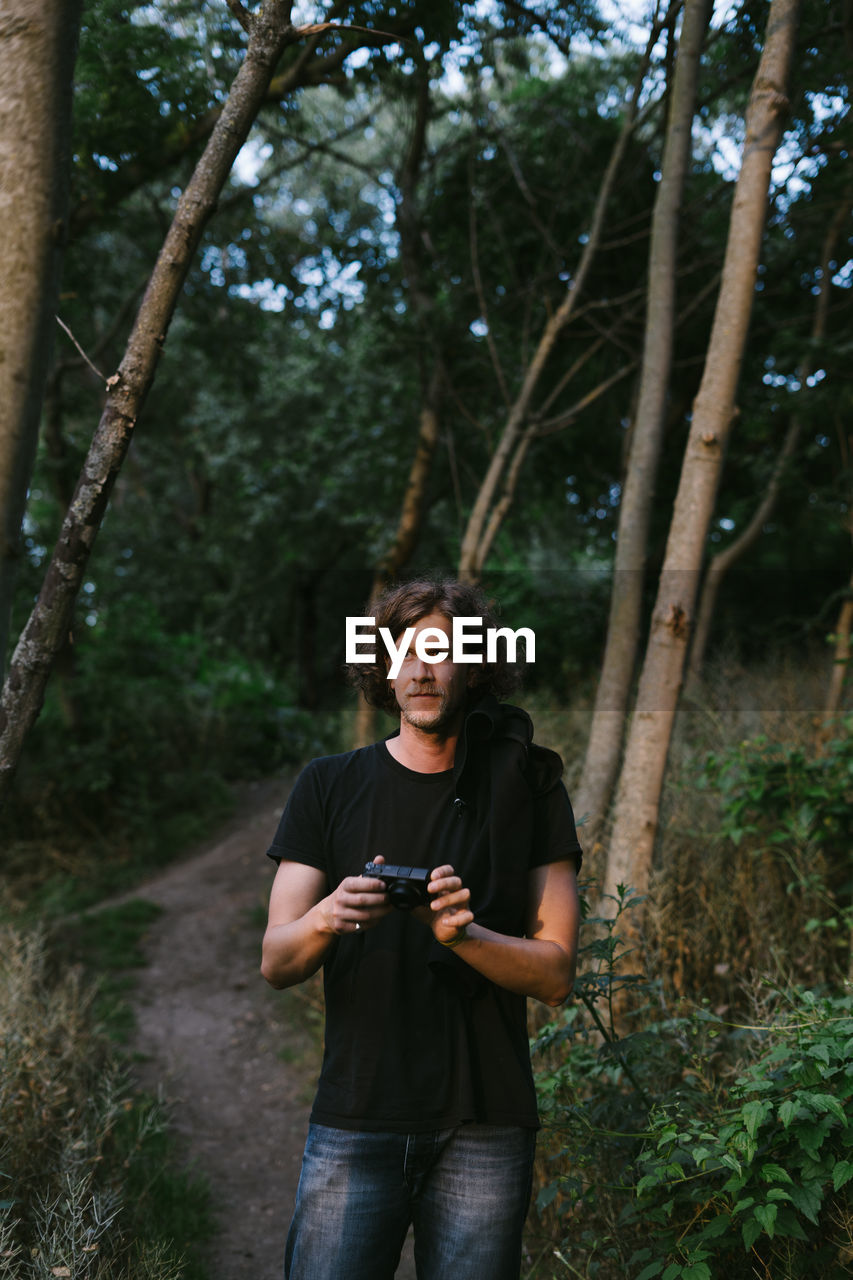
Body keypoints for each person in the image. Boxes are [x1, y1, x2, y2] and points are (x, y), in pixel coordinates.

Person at [261, 578, 582, 1280]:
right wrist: (328, 915)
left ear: (473, 666)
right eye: (403, 652)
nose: (421, 669)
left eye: (441, 651)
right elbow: (277, 961)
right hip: (357, 1112)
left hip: (487, 1122)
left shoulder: (529, 786)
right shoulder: (328, 783)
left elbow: (556, 975)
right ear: (381, 668)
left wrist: (463, 938)